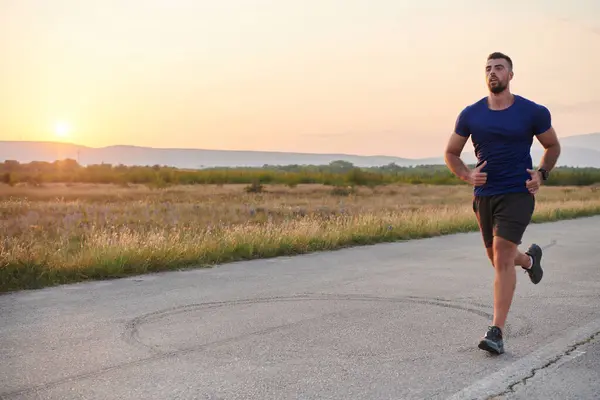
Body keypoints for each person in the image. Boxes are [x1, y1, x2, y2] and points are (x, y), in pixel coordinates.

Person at [444, 52, 561, 355]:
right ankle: (530, 260)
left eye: (499, 68)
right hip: (485, 195)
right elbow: (452, 153)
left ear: (511, 75)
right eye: (488, 69)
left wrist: (542, 174)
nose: (493, 73)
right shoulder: (470, 114)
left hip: (518, 192)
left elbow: (552, 146)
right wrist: (467, 175)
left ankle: (496, 331)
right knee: (500, 260)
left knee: (501, 253)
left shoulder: (532, 111)